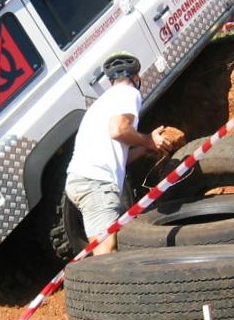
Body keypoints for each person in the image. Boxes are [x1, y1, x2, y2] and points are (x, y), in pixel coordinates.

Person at [64, 52, 175, 256]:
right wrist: (148, 139)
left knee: (114, 245)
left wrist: (146, 147)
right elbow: (119, 130)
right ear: (135, 77)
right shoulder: (128, 93)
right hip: (95, 182)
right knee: (106, 253)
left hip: (84, 180)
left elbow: (119, 159)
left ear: (111, 80)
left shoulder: (102, 102)